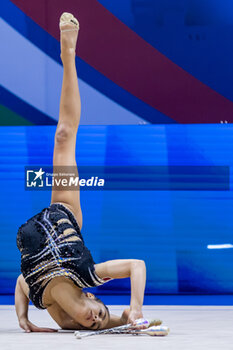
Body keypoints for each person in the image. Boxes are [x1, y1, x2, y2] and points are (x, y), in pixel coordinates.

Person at [15, 12, 146, 332]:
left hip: (36, 238)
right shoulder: (87, 274)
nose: (94, 318)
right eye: (100, 313)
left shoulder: (43, 300)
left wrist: (23, 319)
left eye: (93, 323)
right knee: (63, 136)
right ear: (93, 297)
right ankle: (68, 53)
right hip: (64, 216)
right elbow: (136, 265)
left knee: (61, 138)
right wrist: (134, 310)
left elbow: (21, 281)